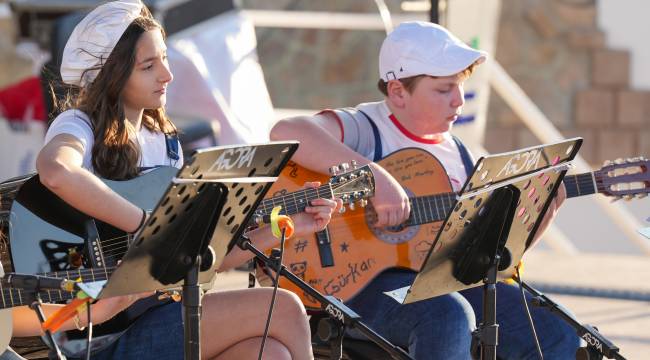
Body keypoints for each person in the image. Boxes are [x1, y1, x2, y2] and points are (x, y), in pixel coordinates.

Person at [10, 1, 339, 359]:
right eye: (149, 66)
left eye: (164, 59)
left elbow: (196, 260)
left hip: (156, 316)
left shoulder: (165, 146)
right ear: (112, 74)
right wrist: (146, 227)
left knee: (270, 352)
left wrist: (281, 229)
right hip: (99, 334)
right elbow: (56, 171)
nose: (166, 74)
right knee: (286, 308)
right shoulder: (79, 125)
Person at [271, 21, 580, 360]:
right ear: (398, 92)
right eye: (444, 89)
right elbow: (286, 132)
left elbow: (478, 262)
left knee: (554, 330)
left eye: (460, 86)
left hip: (435, 283)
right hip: (353, 284)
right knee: (446, 316)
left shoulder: (462, 156)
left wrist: (532, 224)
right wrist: (375, 177)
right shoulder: (366, 127)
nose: (459, 100)